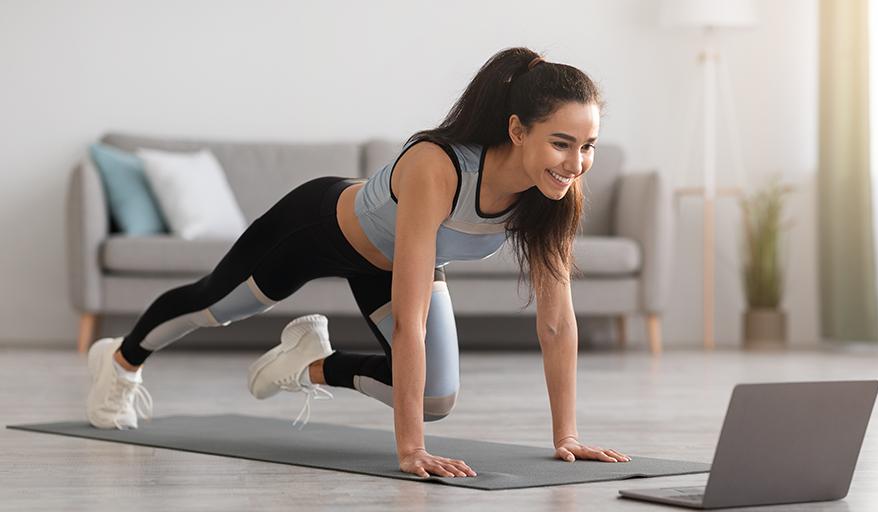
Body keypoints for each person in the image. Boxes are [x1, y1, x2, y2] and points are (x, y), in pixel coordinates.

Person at [85, 47, 632, 479]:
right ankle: (120, 363)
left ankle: (305, 363)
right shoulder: (437, 167)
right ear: (517, 131)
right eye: (563, 144)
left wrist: (567, 437)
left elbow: (558, 321)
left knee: (437, 397)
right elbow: (412, 319)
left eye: (589, 146)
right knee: (215, 307)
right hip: (317, 229)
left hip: (394, 263)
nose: (577, 163)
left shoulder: (554, 195)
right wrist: (412, 449)